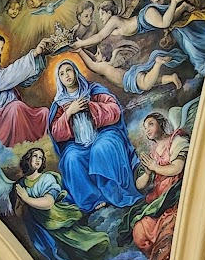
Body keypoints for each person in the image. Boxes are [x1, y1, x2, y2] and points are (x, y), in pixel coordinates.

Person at [47, 60, 141, 214]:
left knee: (101, 149)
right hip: (78, 144)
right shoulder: (58, 104)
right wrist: (69, 112)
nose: (66, 75)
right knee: (71, 158)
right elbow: (56, 134)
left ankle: (114, 192)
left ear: (76, 71)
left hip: (102, 134)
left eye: (68, 70)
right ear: (59, 80)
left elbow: (114, 111)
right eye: (62, 74)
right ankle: (93, 200)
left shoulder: (93, 90)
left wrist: (90, 106)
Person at [14, 145, 110, 260]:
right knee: (58, 256)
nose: (38, 160)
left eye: (41, 157)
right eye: (35, 156)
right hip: (40, 230)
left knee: (83, 244)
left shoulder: (47, 178)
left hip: (57, 220)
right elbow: (19, 214)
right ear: (27, 159)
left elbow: (49, 202)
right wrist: (22, 203)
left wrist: (27, 199)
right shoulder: (21, 184)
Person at [127, 111, 189, 260]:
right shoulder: (153, 152)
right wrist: (148, 172)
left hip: (176, 195)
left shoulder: (177, 141)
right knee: (139, 230)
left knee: (169, 231)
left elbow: (177, 168)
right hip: (159, 201)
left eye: (151, 124)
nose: (147, 130)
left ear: (161, 123)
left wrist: (155, 167)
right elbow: (140, 185)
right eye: (145, 127)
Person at [0, 32, 52, 145]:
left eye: (1, 49)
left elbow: (23, 82)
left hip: (11, 113)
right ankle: (20, 148)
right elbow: (5, 78)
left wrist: (40, 56)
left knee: (44, 113)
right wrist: (33, 54)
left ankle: (38, 146)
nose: (0, 52)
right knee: (16, 107)